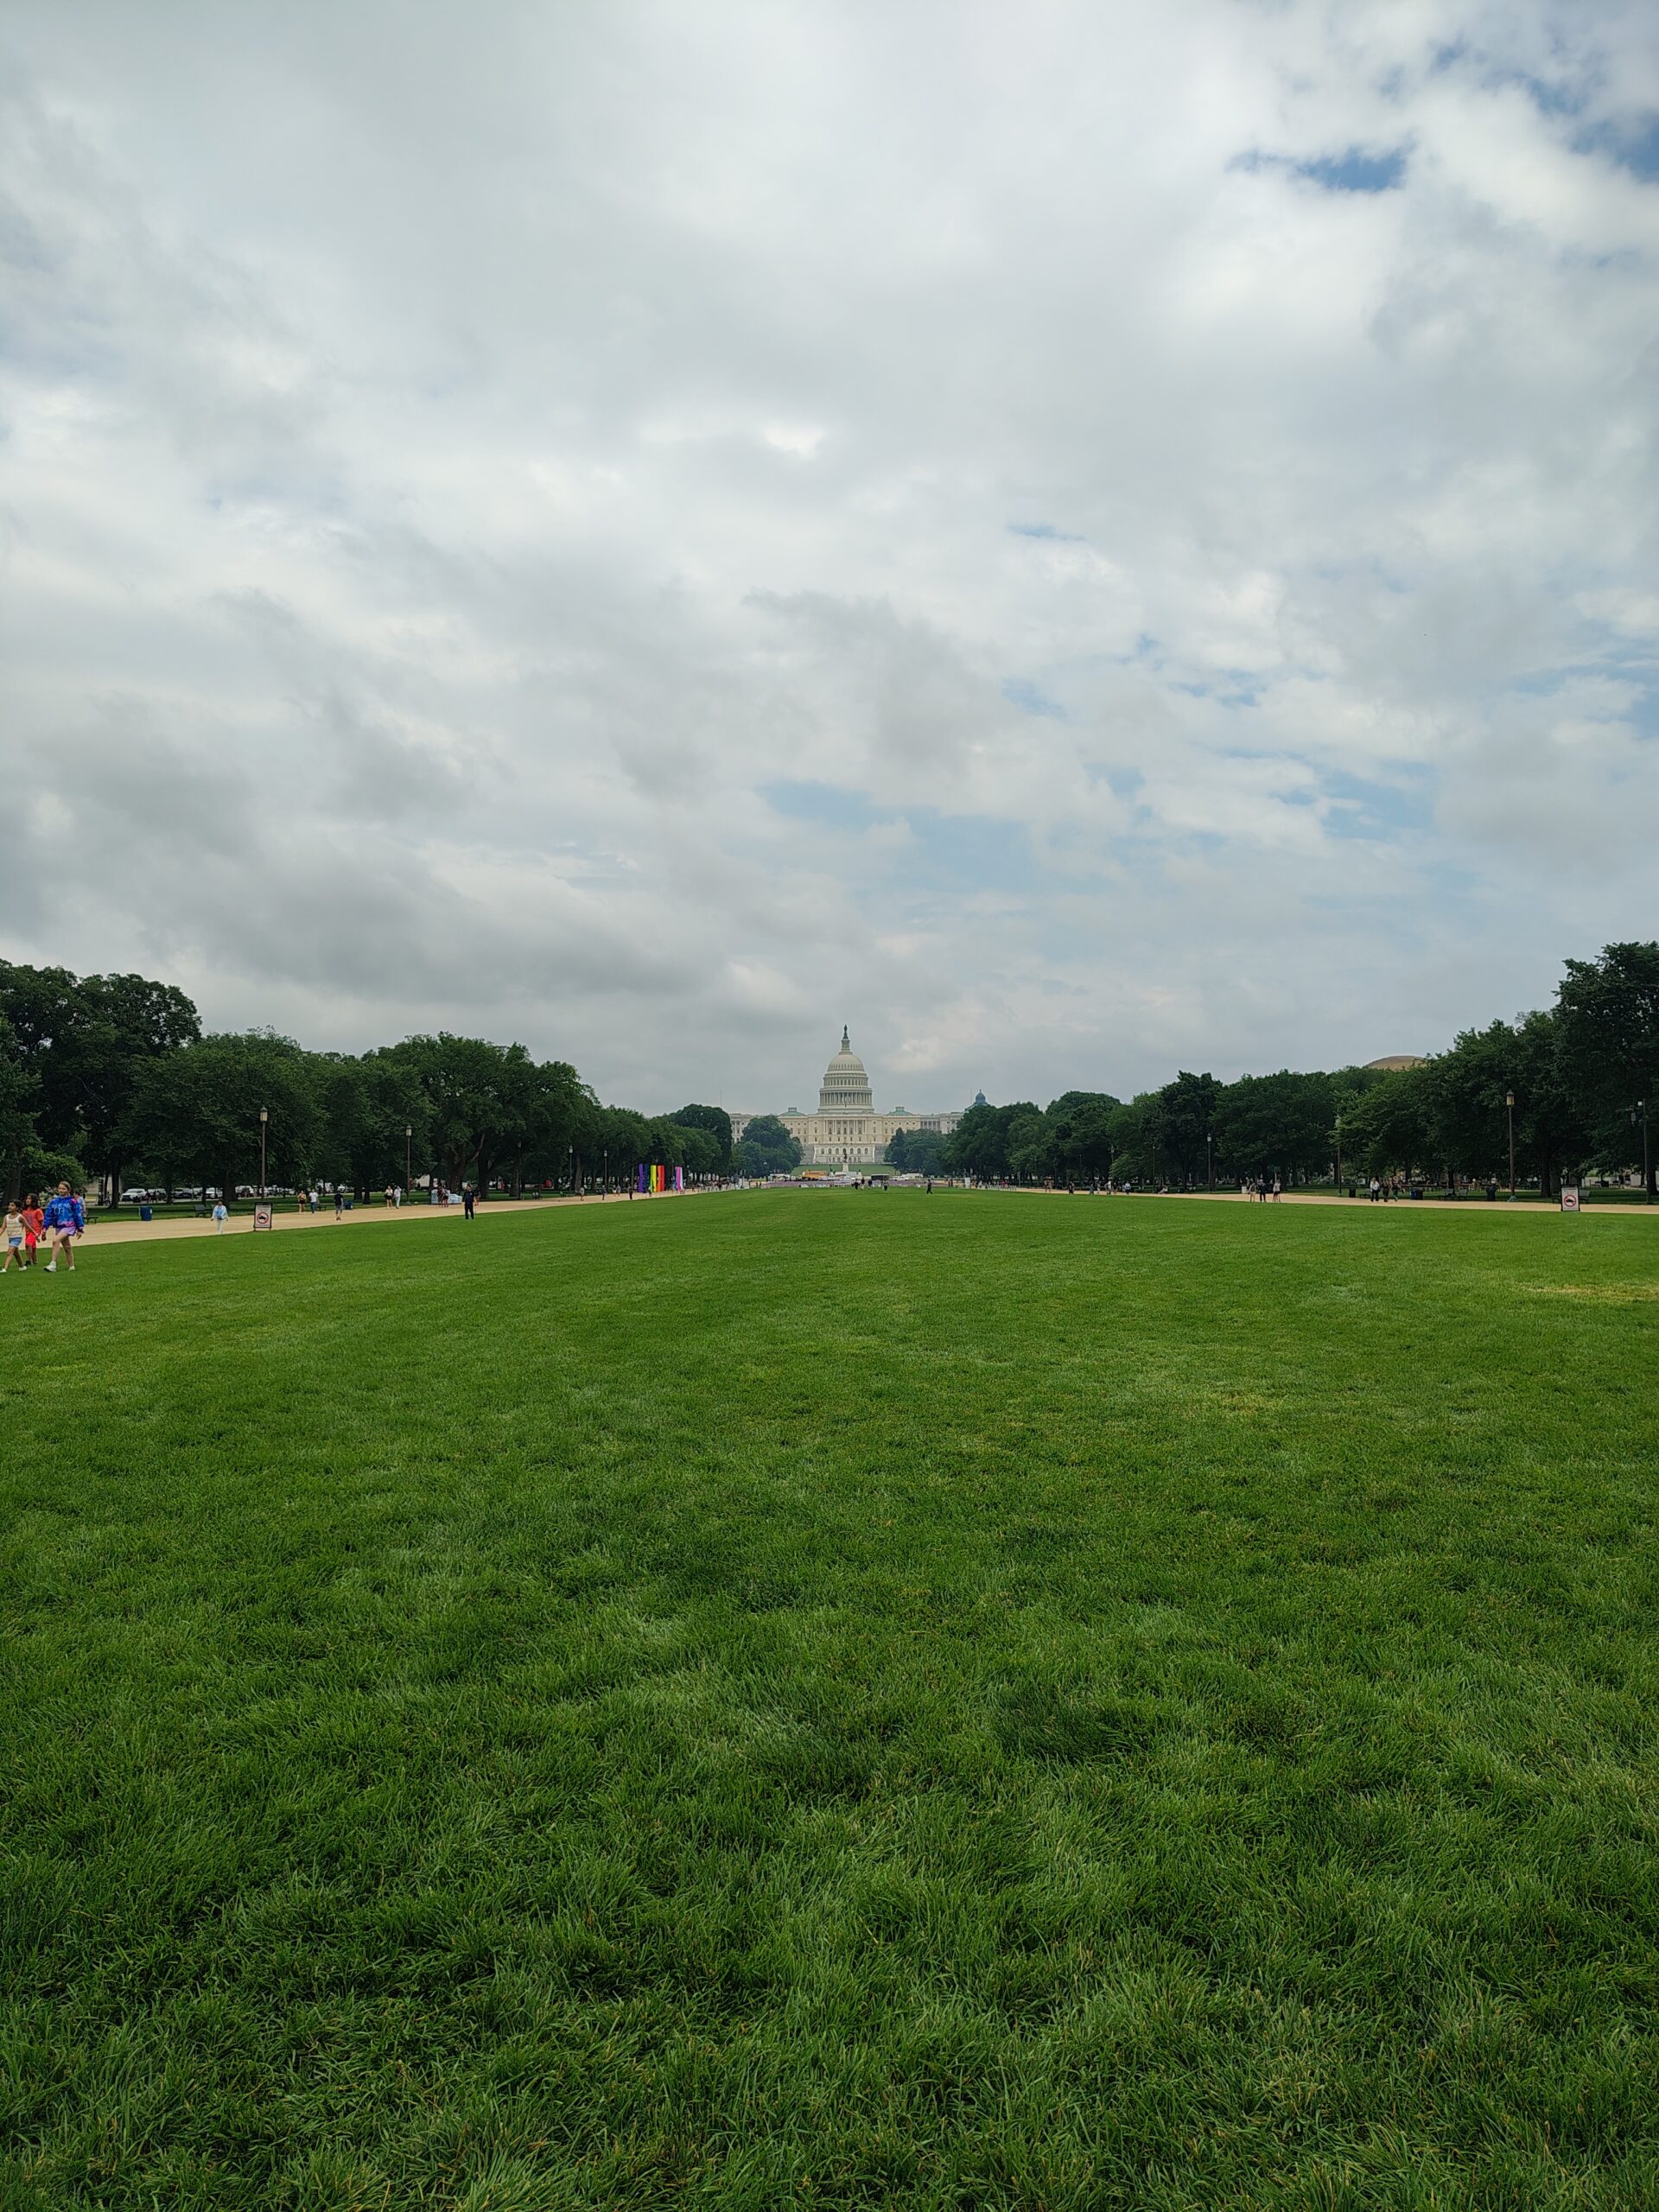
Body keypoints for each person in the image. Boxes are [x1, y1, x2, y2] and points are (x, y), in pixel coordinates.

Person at [41, 1182, 86, 1271]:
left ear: (68, 1190)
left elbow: (77, 1215)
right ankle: (71, 1267)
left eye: (63, 1189)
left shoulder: (72, 1201)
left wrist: (80, 1228)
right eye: (60, 1188)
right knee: (67, 1247)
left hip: (69, 1225)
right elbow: (49, 1215)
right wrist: (45, 1228)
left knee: (55, 1240)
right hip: (59, 1226)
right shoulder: (53, 1202)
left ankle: (53, 1264)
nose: (61, 1190)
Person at [22, 1193, 45, 1267]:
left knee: (28, 1244)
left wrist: (43, 1232)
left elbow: (42, 1222)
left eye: (30, 1199)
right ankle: (35, 1262)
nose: (27, 1200)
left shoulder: (38, 1211)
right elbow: (23, 1222)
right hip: (28, 1231)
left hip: (35, 1231)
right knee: (32, 1247)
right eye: (27, 1198)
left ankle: (28, 1260)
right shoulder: (24, 1211)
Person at [3, 1203, 24, 1273]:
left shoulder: (20, 1217)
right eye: (9, 1205)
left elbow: (28, 1226)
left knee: (10, 1252)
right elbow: (3, 1228)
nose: (10, 1207)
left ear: (17, 1208)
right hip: (11, 1238)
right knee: (16, 1254)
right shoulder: (6, 1217)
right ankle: (22, 1267)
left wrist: (35, 1234)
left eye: (12, 1205)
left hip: (17, 1237)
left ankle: (5, 1268)